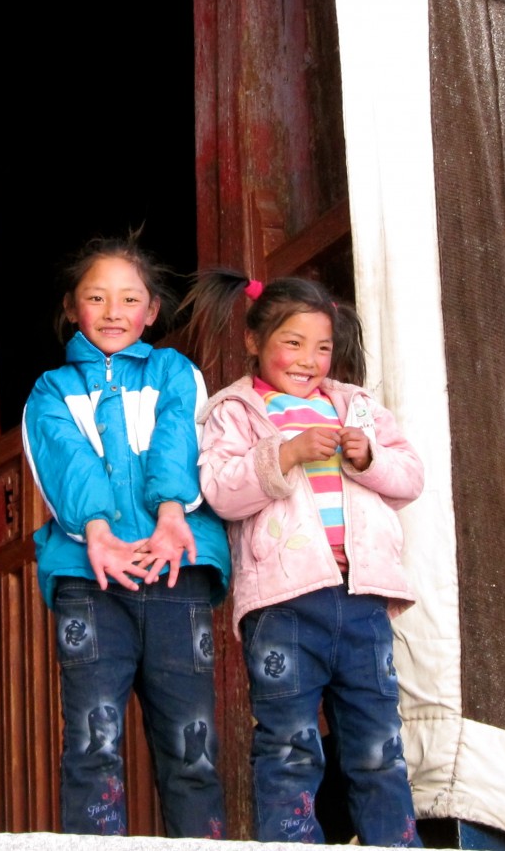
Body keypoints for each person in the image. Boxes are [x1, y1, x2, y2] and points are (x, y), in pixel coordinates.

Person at [183, 268, 425, 847]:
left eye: (322, 347)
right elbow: (221, 489)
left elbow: (410, 477)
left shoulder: (355, 407)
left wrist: (368, 458)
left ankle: (395, 842)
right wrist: (285, 452)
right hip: (285, 604)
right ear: (253, 342)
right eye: (292, 343)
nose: (309, 360)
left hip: (362, 599)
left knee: (378, 742)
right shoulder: (234, 412)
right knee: (289, 743)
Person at [21, 233, 230, 839]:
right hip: (91, 580)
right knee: (93, 738)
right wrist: (98, 534)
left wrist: (171, 516)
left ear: (152, 310)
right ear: (70, 308)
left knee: (192, 745)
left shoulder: (174, 372)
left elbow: (178, 440)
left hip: (176, 568)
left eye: (129, 298)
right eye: (96, 297)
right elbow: (65, 462)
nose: (114, 312)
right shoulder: (51, 391)